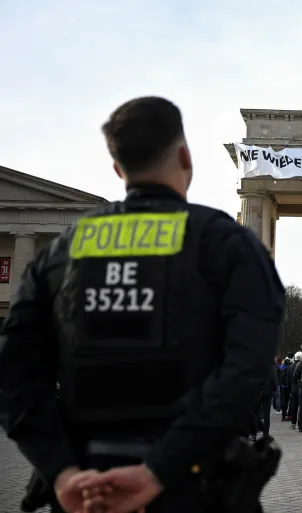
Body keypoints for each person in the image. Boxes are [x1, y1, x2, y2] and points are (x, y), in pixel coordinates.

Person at [0, 96, 285, 513]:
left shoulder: (61, 251)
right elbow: (246, 371)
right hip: (194, 488)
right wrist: (158, 470)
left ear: (119, 168)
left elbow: (14, 374)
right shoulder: (227, 244)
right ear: (185, 157)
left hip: (87, 491)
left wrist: (60, 470)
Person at [287, 351, 302, 428]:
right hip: (301, 388)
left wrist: (290, 389)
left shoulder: (290, 366)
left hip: (293, 389)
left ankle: (293, 422)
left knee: (294, 406)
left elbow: (288, 379)